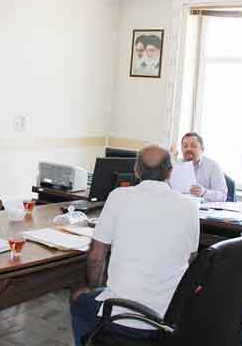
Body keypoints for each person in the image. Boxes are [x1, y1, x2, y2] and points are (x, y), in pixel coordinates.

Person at [69, 145, 200, 345]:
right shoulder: (190, 206)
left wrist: (94, 288)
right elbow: (191, 260)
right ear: (170, 172)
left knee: (78, 300)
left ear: (136, 170)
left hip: (121, 317)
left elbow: (96, 257)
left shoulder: (118, 196)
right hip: (170, 318)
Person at [181, 131, 228, 202]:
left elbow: (222, 196)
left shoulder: (213, 167)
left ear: (202, 149)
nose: (188, 149)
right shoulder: (176, 166)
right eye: (185, 146)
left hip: (203, 207)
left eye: (193, 146)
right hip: (181, 205)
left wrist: (204, 192)